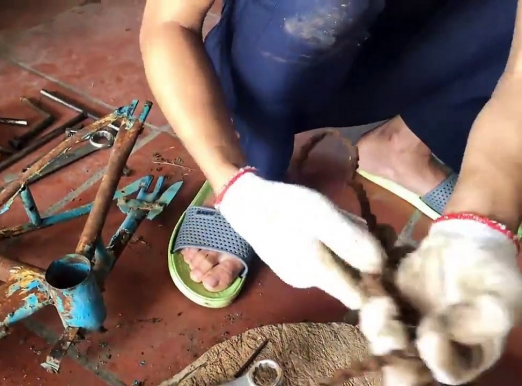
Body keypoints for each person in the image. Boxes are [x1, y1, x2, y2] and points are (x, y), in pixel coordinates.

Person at [140, 0, 522, 384]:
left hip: (417, 46)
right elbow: (169, 24)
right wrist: (233, 183)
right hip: (285, 55)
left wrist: (480, 221)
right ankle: (250, 162)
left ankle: (404, 146)